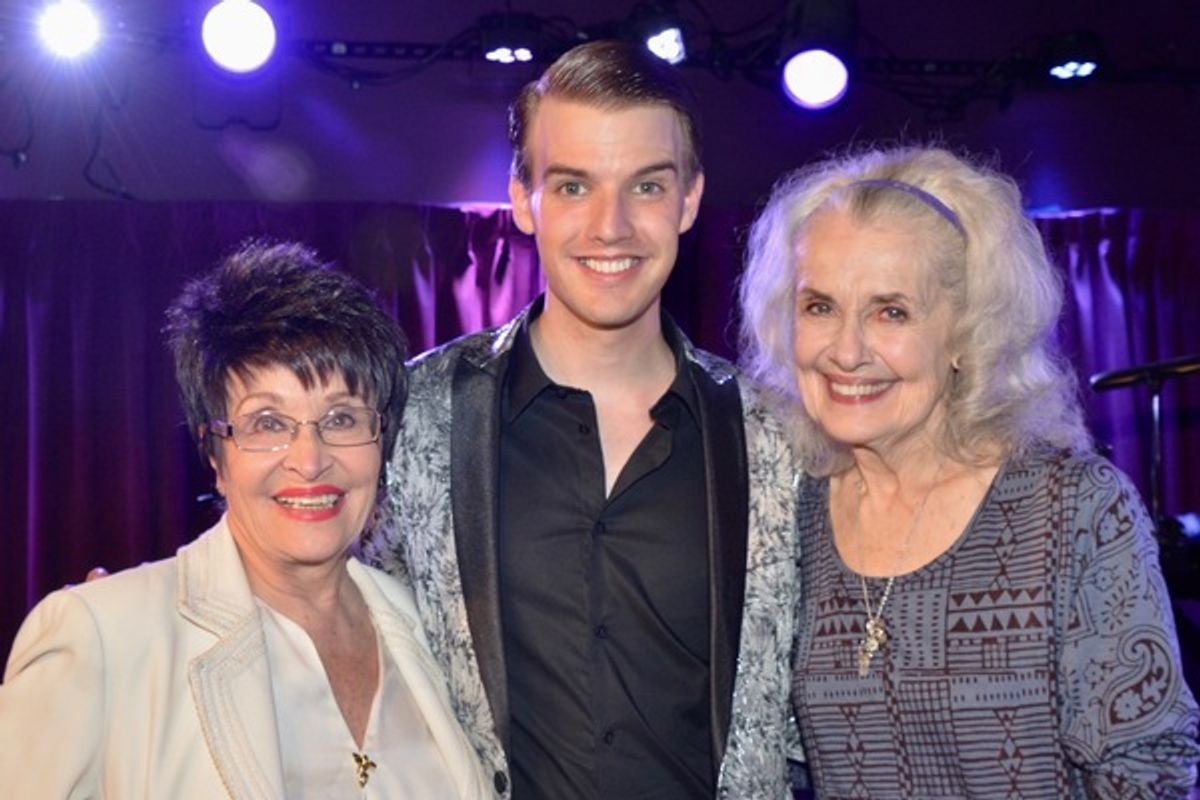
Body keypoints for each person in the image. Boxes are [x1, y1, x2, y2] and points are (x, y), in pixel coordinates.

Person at [362, 40, 800, 799]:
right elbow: (322, 619)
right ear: (523, 200)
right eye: (572, 186)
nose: (611, 226)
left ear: (690, 198)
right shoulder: (415, 415)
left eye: (647, 186)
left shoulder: (777, 437)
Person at [738, 145, 1200, 797]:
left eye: (890, 311)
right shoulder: (790, 515)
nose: (846, 350)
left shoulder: (1072, 510)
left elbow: (1149, 772)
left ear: (965, 334)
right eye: (820, 306)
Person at [0, 241, 493, 798]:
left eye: (341, 417)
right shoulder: (105, 638)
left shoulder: (426, 626)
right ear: (215, 455)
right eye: (267, 423)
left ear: (382, 440)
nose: (310, 460)